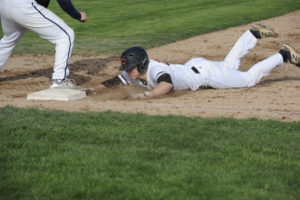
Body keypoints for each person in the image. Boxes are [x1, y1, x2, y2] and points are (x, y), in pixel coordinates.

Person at [95, 22, 300, 98]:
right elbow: (113, 82)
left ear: (140, 65)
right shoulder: (137, 70)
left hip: (207, 74)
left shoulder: (156, 71)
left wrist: (146, 96)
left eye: (130, 68)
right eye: (127, 68)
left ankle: (283, 55)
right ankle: (252, 35)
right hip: (196, 66)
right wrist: (93, 91)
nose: (128, 71)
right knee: (229, 66)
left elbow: (166, 85)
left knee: (248, 79)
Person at [0, 0, 86, 89]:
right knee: (65, 35)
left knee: (8, 39)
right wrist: (77, 15)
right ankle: (59, 81)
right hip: (23, 5)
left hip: (4, 4)